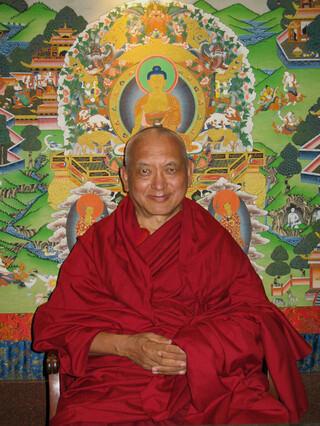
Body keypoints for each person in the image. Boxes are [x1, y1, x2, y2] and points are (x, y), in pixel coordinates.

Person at [33, 126, 310, 425]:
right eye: (144, 171)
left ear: (189, 172)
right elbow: (58, 326)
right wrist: (128, 346)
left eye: (170, 169)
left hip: (208, 382)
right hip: (117, 379)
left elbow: (255, 318)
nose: (159, 185)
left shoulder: (213, 241)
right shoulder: (98, 245)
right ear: (125, 178)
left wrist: (195, 351)